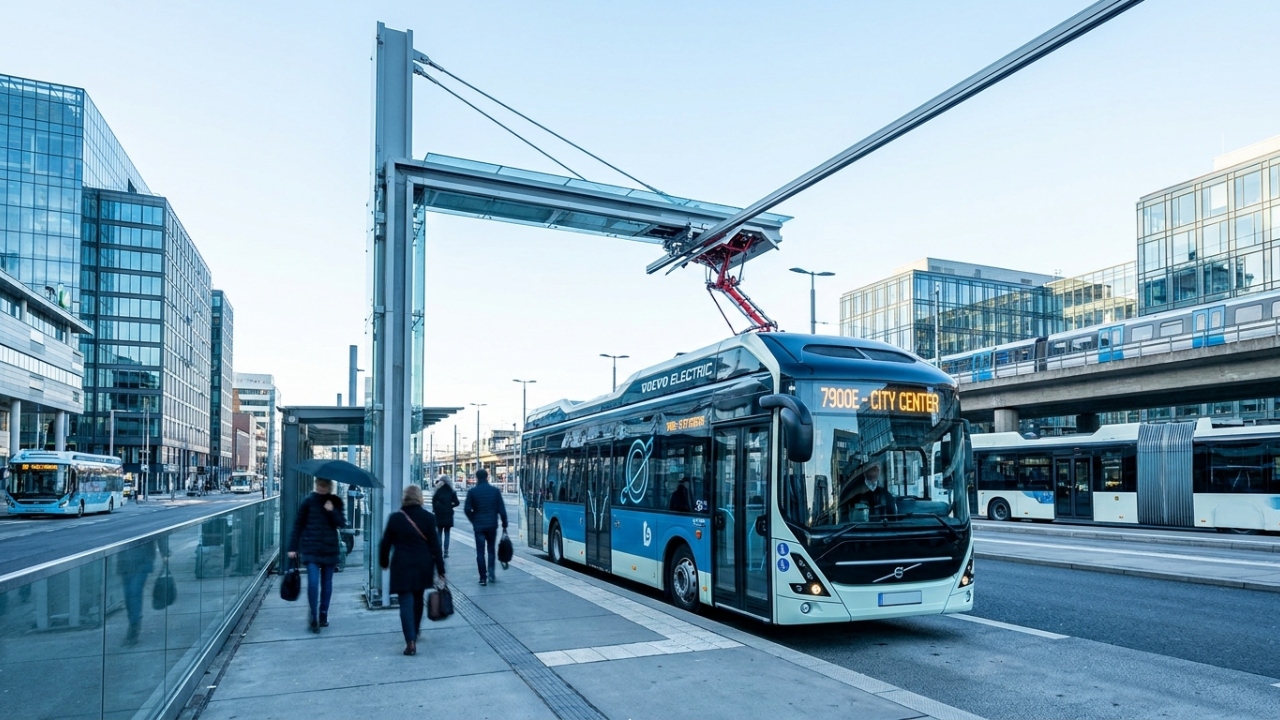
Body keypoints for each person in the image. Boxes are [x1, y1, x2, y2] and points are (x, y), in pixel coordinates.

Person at [379, 485, 446, 656]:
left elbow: (385, 543)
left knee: (405, 603)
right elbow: (435, 546)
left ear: (404, 498)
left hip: (401, 565)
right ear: (419, 498)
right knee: (417, 600)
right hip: (423, 565)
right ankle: (414, 632)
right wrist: (441, 569)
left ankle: (410, 641)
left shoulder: (395, 518)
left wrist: (384, 561)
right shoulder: (428, 518)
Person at [288, 477, 345, 633]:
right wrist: (293, 547)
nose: (321, 488)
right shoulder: (308, 502)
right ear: (316, 485)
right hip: (311, 548)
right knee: (313, 583)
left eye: (324, 486)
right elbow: (298, 524)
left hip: (329, 549)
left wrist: (332, 510)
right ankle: (314, 616)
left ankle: (323, 614)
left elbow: (341, 523)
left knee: (327, 584)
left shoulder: (335, 501)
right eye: (319, 485)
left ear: (329, 486)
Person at [116, 536, 170, 646]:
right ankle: (133, 623)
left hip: (141, 559)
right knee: (128, 594)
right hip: (125, 559)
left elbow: (160, 531)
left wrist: (164, 552)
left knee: (134, 592)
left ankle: (134, 627)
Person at [463, 468, 507, 586]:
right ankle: (491, 573)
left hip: (479, 526)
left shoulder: (473, 492)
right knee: (491, 550)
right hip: (492, 525)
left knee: (480, 552)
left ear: (477, 477)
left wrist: (474, 520)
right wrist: (504, 524)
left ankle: (483, 578)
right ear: (487, 476)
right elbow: (501, 510)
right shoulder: (495, 491)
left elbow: (467, 509)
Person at [431, 475, 459, 559]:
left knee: (439, 533)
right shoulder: (452, 491)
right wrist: (451, 505)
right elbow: (457, 502)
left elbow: (433, 502)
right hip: (448, 514)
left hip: (439, 515)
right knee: (447, 533)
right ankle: (446, 551)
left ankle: (439, 551)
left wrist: (436, 509)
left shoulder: (437, 491)